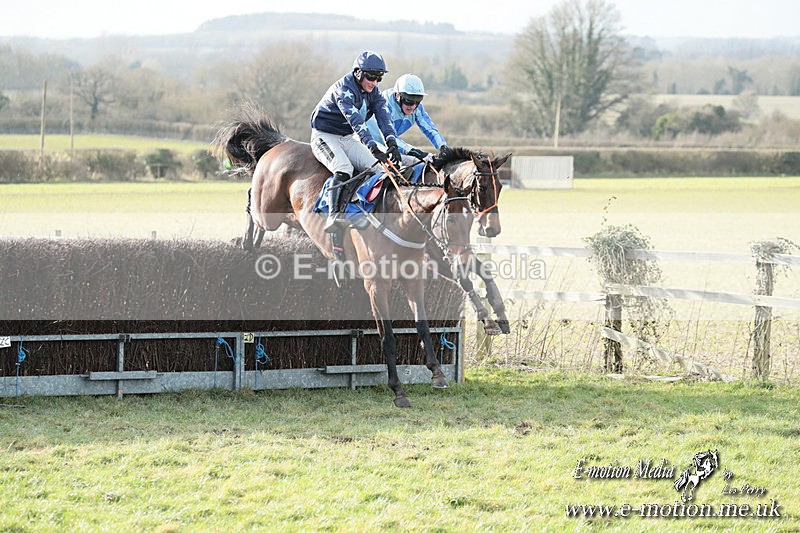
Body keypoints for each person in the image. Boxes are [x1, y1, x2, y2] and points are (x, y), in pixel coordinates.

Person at [310, 50, 402, 232]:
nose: (375, 83)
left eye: (379, 78)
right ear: (358, 73)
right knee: (344, 168)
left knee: (379, 169)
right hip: (324, 135)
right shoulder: (344, 89)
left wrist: (392, 143)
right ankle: (333, 216)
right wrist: (373, 147)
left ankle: (360, 212)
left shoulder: (374, 93)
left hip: (346, 137)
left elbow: (384, 119)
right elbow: (358, 123)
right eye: (371, 77)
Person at [365, 73, 447, 167]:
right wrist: (414, 151)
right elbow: (388, 137)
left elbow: (430, 129)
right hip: (371, 142)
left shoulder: (417, 108)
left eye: (418, 101)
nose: (413, 106)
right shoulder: (384, 105)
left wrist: (443, 147)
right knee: (401, 162)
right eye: (409, 101)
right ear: (397, 95)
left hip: (390, 145)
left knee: (418, 163)